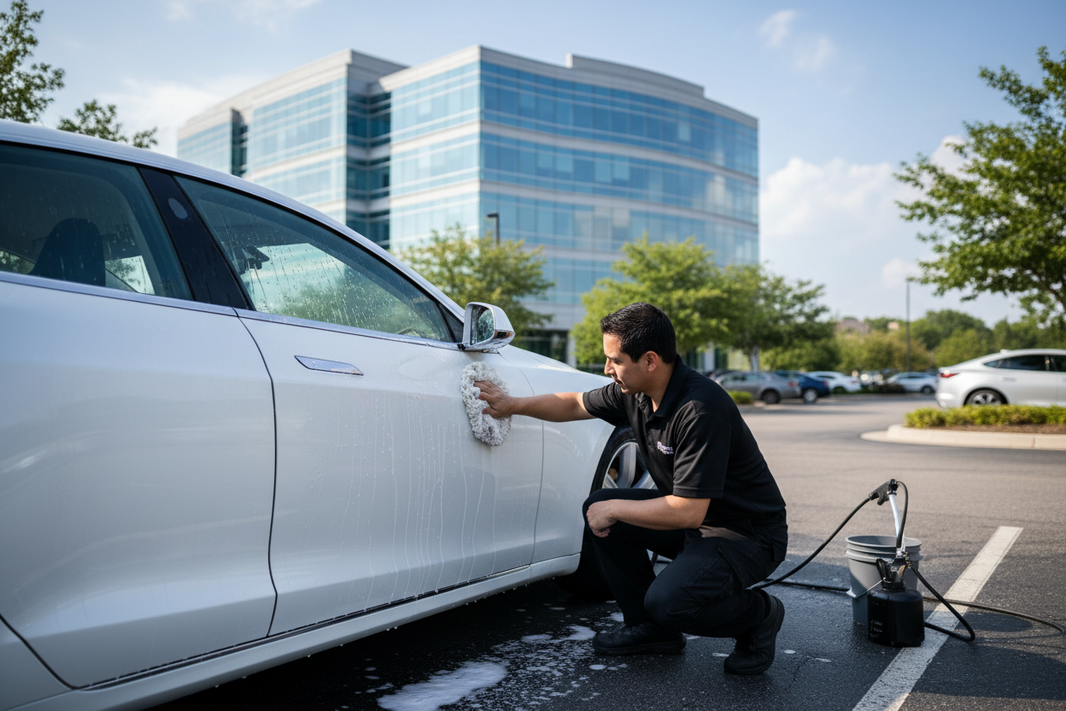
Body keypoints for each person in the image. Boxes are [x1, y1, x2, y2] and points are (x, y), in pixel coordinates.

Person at [476, 302, 788, 675]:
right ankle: (651, 630)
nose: (607, 369)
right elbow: (573, 404)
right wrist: (511, 405)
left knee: (668, 600)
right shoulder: (634, 392)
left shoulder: (700, 409)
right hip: (697, 521)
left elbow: (688, 511)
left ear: (650, 360)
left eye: (615, 360)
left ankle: (759, 616)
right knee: (601, 505)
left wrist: (615, 510)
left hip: (746, 534)